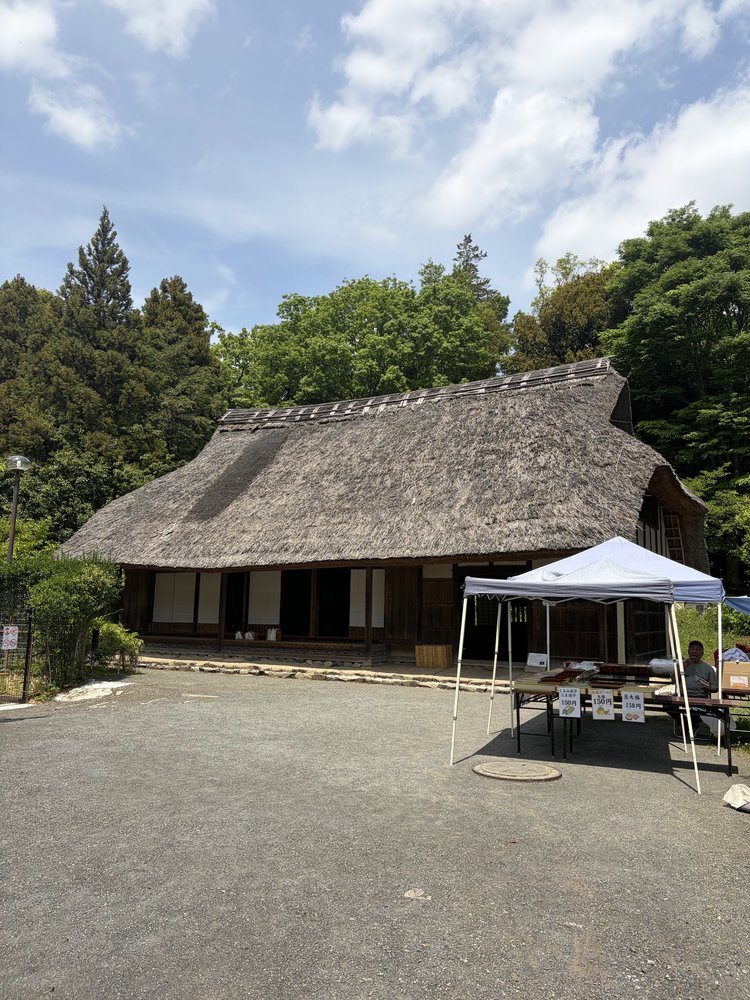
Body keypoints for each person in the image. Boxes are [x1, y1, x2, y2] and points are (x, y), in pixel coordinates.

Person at [667, 640, 718, 738]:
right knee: (667, 706)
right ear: (688, 651)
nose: (695, 652)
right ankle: (687, 725)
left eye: (698, 650)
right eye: (692, 649)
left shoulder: (708, 668)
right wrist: (685, 665)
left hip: (700, 697)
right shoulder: (681, 665)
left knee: (699, 712)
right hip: (681, 695)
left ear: (702, 653)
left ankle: (690, 724)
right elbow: (673, 680)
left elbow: (715, 688)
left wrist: (707, 687)